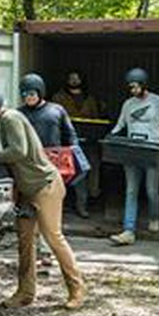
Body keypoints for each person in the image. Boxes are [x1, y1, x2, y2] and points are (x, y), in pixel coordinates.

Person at [0, 84, 86, 310]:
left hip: (45, 185)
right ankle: (25, 292)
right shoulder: (6, 121)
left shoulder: (11, 118)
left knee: (53, 238)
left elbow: (19, 152)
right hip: (28, 189)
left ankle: (77, 289)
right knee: (25, 242)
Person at [108, 68, 159, 246]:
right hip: (132, 150)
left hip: (152, 150)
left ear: (143, 85)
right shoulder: (128, 104)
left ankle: (154, 217)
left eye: (135, 87)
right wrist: (110, 136)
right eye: (130, 88)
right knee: (131, 190)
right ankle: (129, 230)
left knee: (151, 190)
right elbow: (120, 125)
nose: (132, 91)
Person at [18, 73, 87, 218]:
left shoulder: (56, 110)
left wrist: (74, 153)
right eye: (25, 94)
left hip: (54, 160)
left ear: (40, 92)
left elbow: (70, 134)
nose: (29, 97)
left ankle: (80, 208)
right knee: (31, 200)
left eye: (32, 93)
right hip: (30, 161)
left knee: (56, 195)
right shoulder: (19, 114)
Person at [52, 70, 105, 215]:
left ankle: (86, 201)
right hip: (67, 142)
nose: (74, 81)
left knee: (90, 170)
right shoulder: (58, 97)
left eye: (77, 78)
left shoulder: (90, 99)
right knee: (70, 173)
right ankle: (72, 206)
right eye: (71, 78)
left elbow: (96, 119)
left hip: (89, 142)